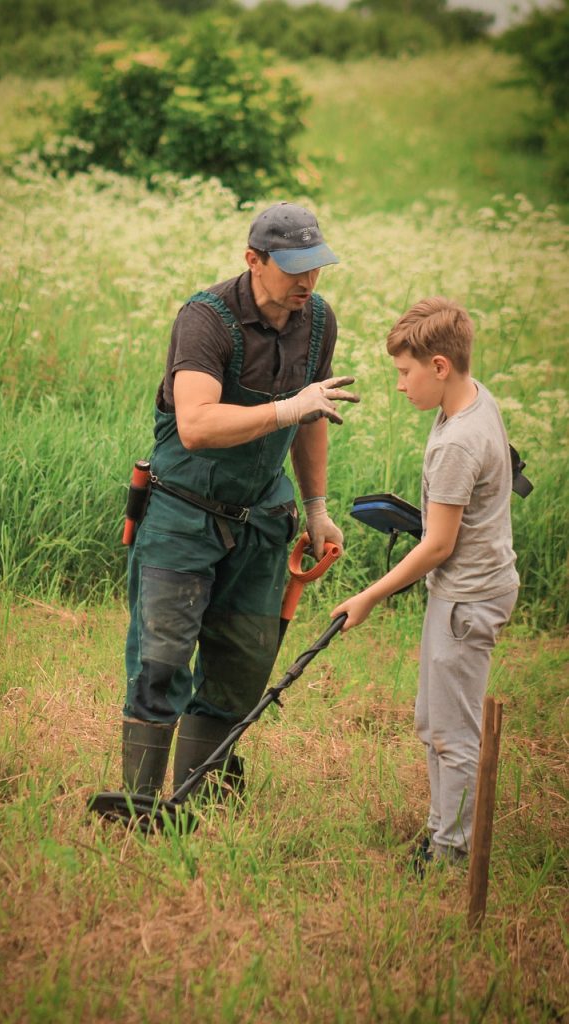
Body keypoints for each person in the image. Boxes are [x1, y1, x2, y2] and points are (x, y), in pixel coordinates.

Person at [123, 201, 360, 799]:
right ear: (254, 260)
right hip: (182, 510)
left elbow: (314, 415)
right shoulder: (206, 318)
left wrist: (316, 506)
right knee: (162, 661)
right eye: (293, 267)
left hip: (261, 518)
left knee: (240, 670)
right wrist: (285, 407)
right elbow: (197, 425)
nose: (307, 281)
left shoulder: (318, 320)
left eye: (316, 267)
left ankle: (193, 802)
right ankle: (143, 805)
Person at [332, 296, 519, 867]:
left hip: (467, 597)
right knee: (431, 719)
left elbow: (438, 545)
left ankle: (451, 853)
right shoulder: (471, 397)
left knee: (453, 733)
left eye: (404, 373)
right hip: (465, 587)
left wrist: (367, 596)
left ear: (440, 366)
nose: (399, 385)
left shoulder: (459, 441)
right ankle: (441, 831)